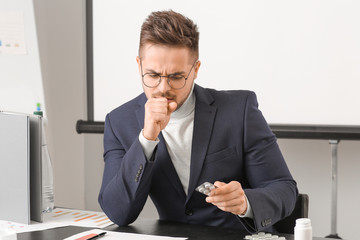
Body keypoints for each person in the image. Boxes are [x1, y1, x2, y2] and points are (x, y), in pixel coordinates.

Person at [98, 10, 298, 233]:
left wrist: (245, 202)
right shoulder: (119, 122)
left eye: (176, 77)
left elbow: (285, 190)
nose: (163, 88)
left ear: (195, 70)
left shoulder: (239, 110)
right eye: (153, 75)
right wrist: (146, 140)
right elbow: (117, 213)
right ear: (139, 66)